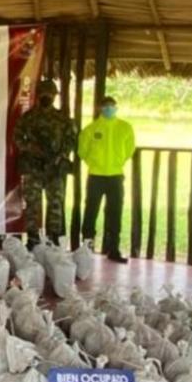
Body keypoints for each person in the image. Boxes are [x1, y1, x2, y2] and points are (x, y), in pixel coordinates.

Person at [14, 79, 76, 249]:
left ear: (55, 96)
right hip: (33, 167)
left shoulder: (62, 118)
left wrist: (61, 155)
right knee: (32, 204)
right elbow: (17, 137)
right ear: (38, 95)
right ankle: (33, 238)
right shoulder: (28, 117)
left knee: (55, 203)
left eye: (49, 94)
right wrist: (30, 147)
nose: (46, 97)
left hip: (54, 168)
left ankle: (53, 239)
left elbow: (71, 139)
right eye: (43, 93)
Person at [78, 96, 135, 263]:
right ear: (99, 108)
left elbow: (130, 149)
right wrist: (94, 163)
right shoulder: (91, 129)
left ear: (116, 108)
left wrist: (118, 162)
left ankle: (113, 249)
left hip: (116, 176)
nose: (109, 108)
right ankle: (87, 248)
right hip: (96, 176)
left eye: (112, 106)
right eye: (105, 106)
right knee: (91, 211)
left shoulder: (125, 127)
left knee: (115, 212)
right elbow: (82, 151)